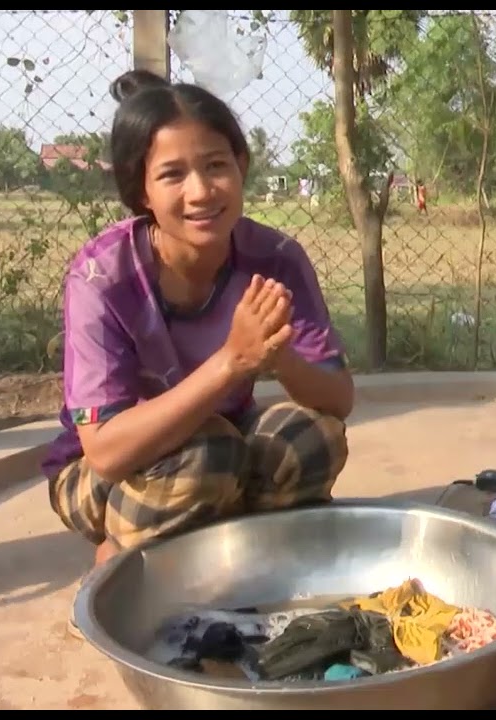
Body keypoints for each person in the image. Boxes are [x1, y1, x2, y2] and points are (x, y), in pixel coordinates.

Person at [40, 69, 354, 584]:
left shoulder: (275, 258)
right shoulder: (103, 276)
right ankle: (120, 548)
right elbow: (105, 450)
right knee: (209, 455)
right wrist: (231, 362)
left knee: (309, 438)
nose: (202, 191)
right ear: (140, 189)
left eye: (216, 166)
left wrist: (282, 358)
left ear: (241, 166)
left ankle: (244, 559)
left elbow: (338, 401)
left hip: (218, 440)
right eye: (172, 175)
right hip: (100, 473)